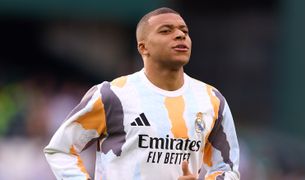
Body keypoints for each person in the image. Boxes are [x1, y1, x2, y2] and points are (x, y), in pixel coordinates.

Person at [44, 7, 240, 180]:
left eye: (184, 31)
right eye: (166, 31)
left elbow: (227, 167)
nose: (180, 35)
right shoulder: (112, 95)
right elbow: (60, 149)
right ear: (143, 47)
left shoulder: (211, 99)